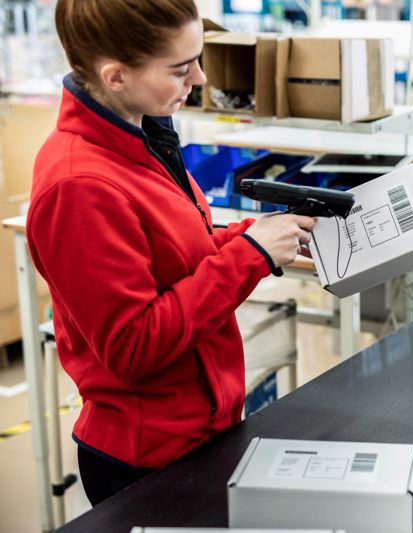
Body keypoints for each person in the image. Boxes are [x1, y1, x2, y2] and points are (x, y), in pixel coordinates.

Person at [27, 0, 315, 506]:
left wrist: (259, 236)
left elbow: (179, 260)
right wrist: (249, 256)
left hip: (200, 432)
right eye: (181, 69)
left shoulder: (141, 136)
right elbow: (132, 346)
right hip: (147, 461)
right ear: (115, 76)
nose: (200, 78)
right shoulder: (80, 186)